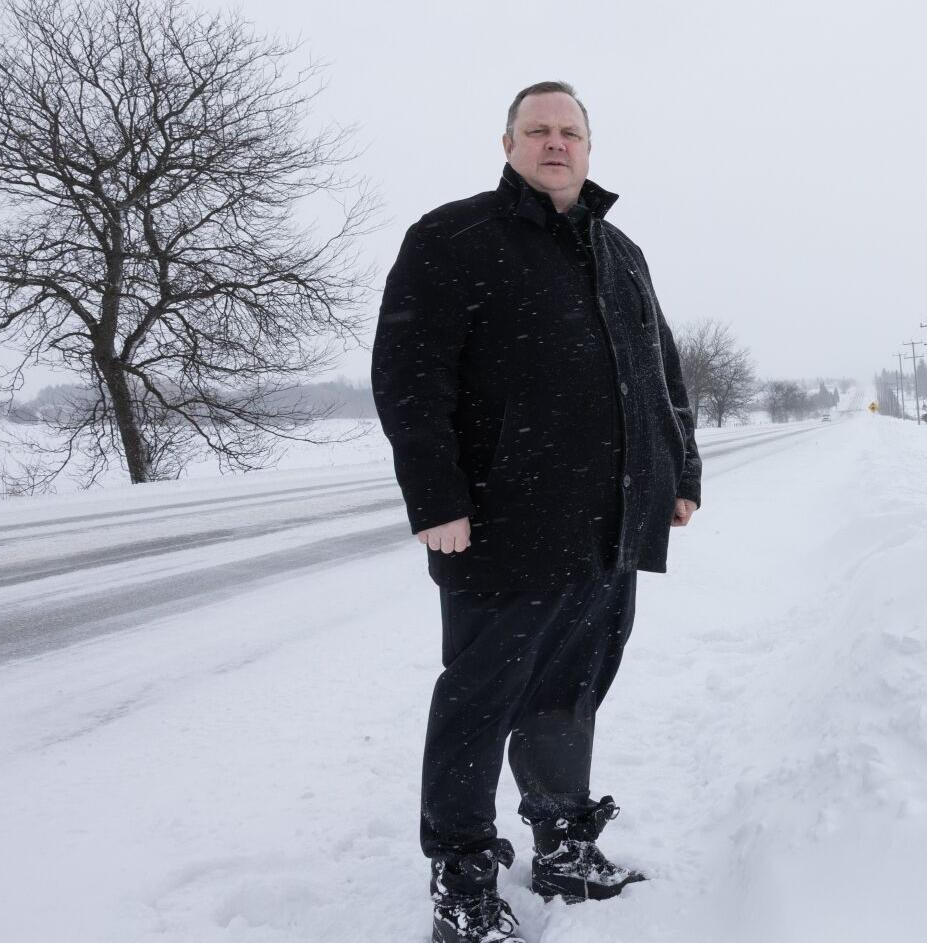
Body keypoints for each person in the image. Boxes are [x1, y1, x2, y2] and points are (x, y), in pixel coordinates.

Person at [372, 80, 701, 943]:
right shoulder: (455, 237)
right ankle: (463, 875)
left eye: (571, 131)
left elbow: (661, 375)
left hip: (609, 525)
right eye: (538, 130)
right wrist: (436, 497)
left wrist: (680, 471)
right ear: (508, 142)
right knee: (481, 700)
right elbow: (410, 376)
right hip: (500, 525)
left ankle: (559, 839)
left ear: (589, 147)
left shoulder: (620, 249)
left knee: (571, 691)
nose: (556, 142)